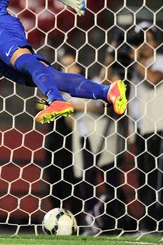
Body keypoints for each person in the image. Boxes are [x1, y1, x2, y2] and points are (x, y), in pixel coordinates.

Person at [44, 47, 133, 234]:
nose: (69, 70)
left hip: (103, 138)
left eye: (72, 65)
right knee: (86, 183)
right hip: (83, 140)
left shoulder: (89, 85)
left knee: (111, 181)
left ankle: (122, 220)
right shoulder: (63, 91)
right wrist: (68, 108)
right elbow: (69, 120)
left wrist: (78, 106)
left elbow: (106, 107)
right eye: (65, 66)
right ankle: (94, 223)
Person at [128, 22, 163, 233]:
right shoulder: (136, 67)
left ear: (156, 41)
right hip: (143, 129)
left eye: (147, 40)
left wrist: (137, 59)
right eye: (139, 41)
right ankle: (150, 220)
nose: (143, 46)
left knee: (157, 175)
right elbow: (132, 100)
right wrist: (131, 129)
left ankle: (155, 222)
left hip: (162, 126)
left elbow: (154, 79)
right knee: (143, 176)